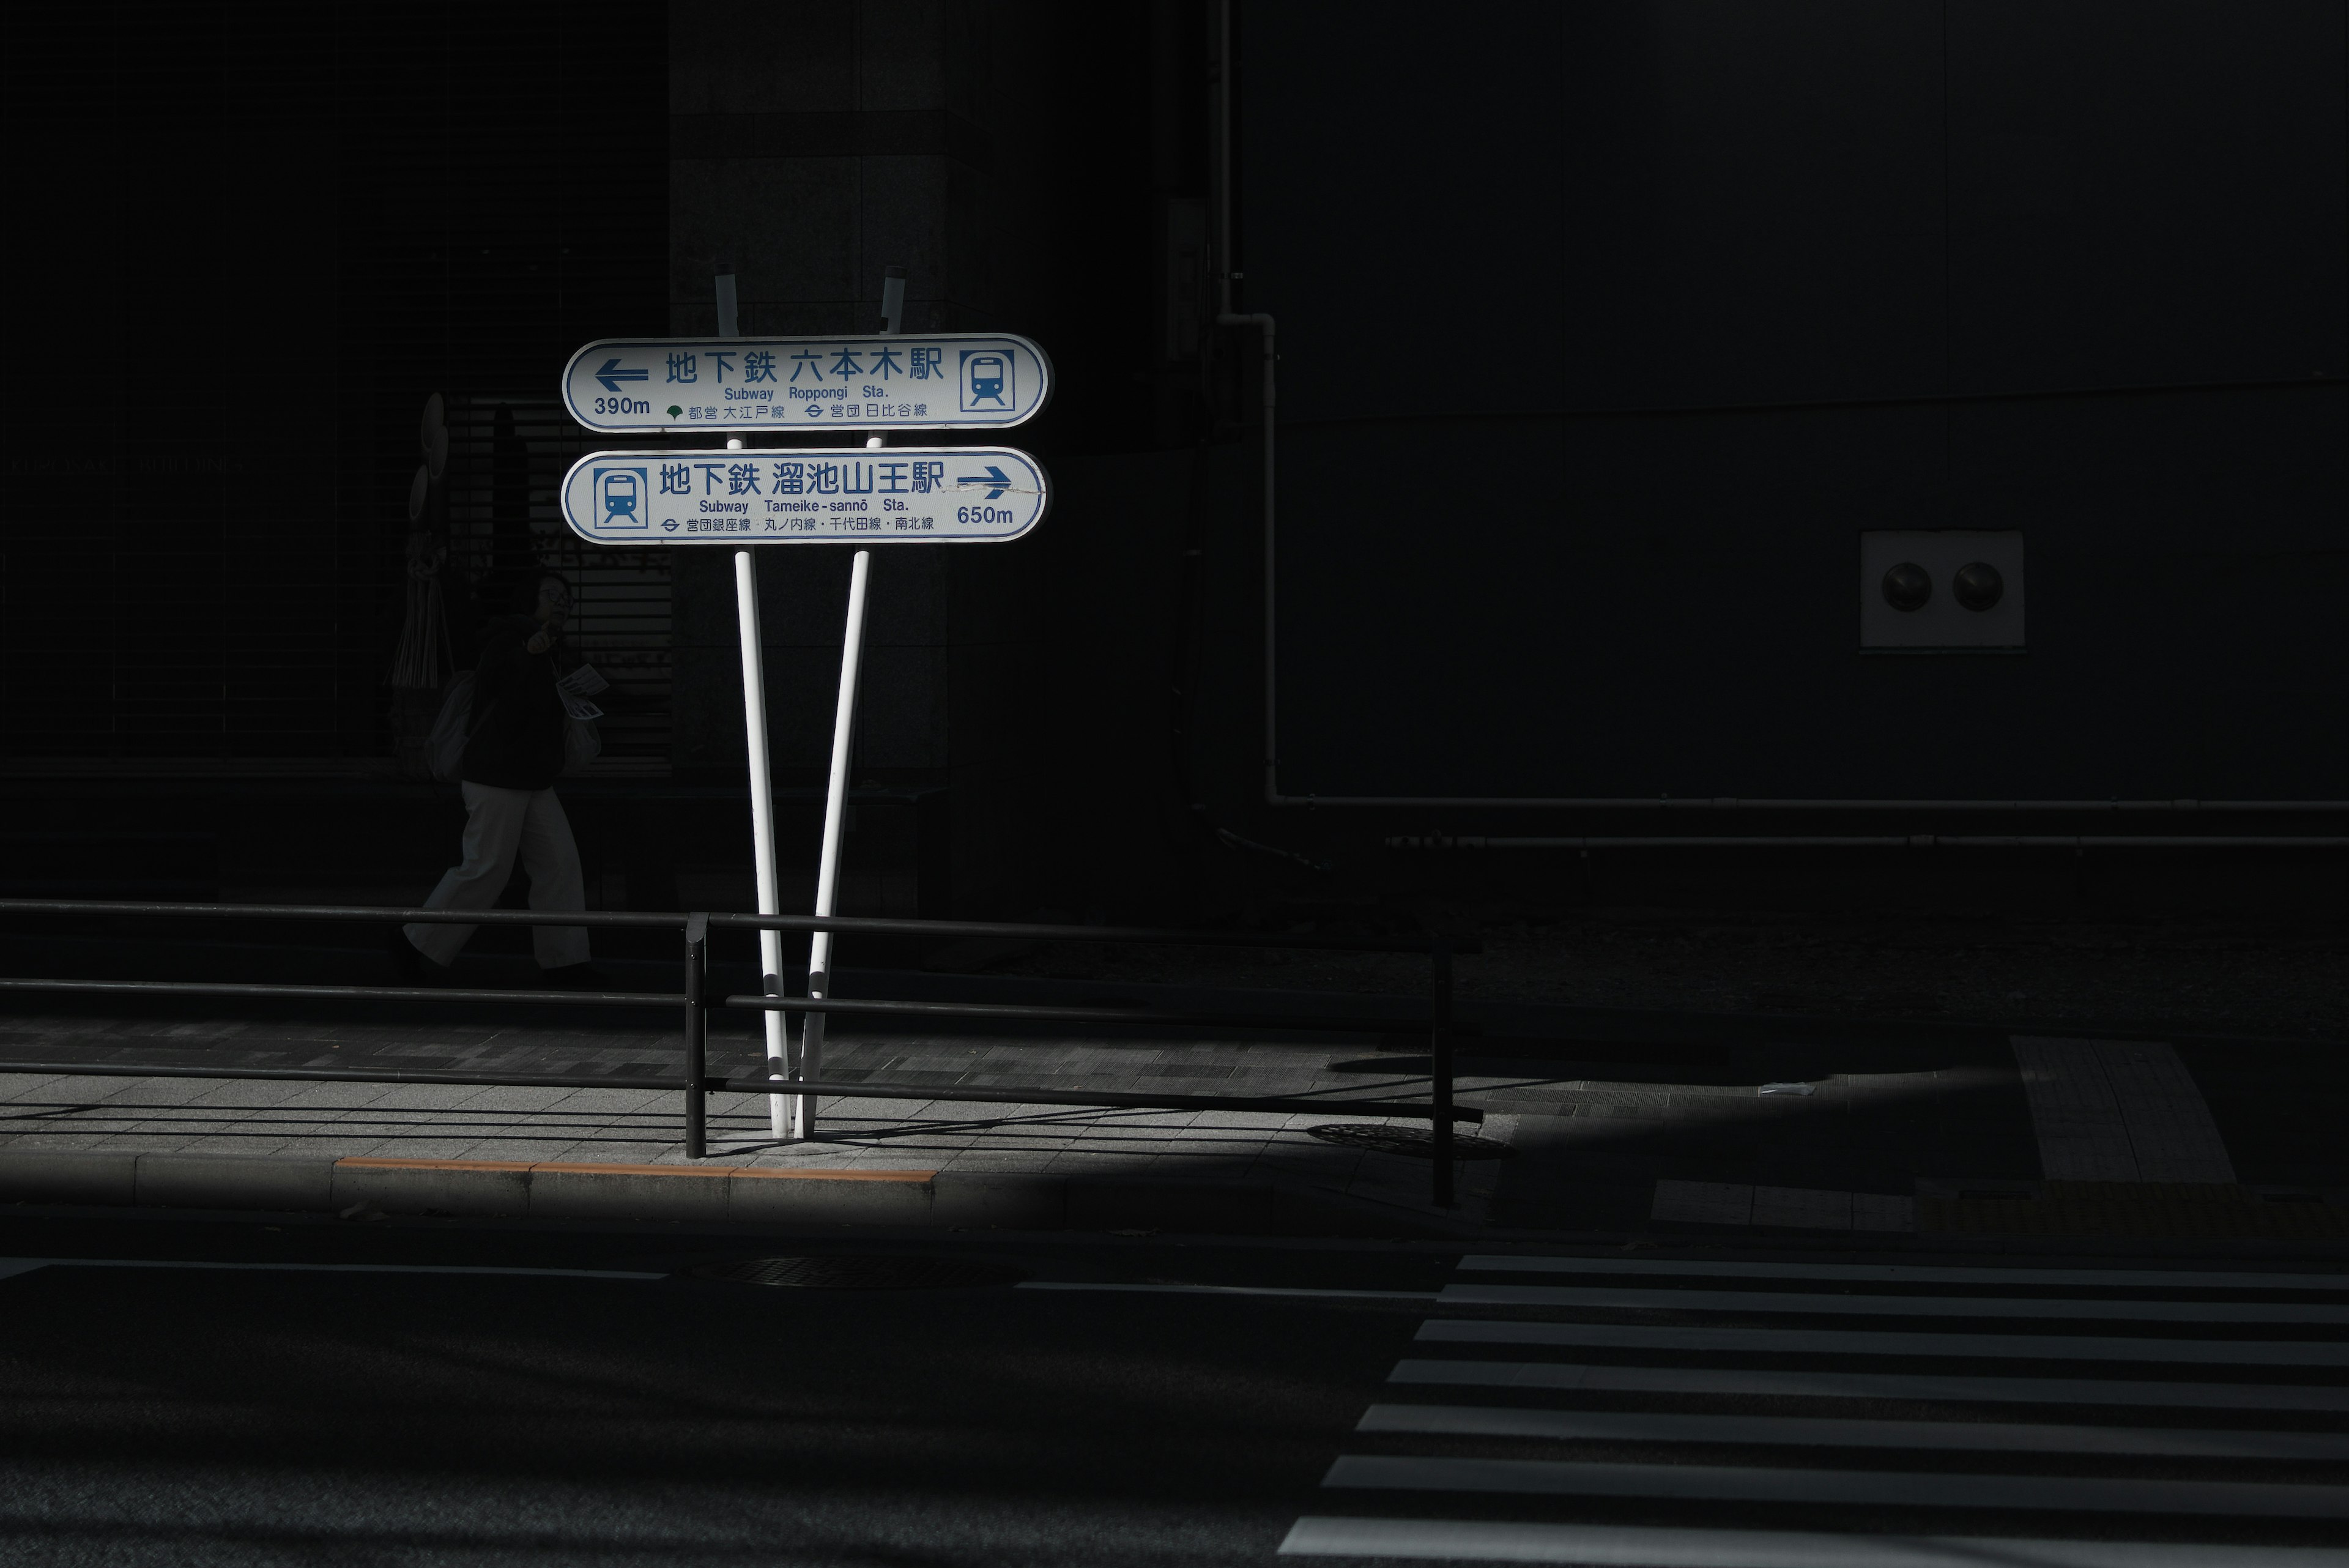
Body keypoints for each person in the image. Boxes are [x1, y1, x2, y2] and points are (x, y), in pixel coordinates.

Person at [390, 572, 598, 986]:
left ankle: (566, 964)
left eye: (566, 598)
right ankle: (413, 944)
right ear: (528, 600)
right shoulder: (509, 639)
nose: (561, 603)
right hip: (499, 776)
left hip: (530, 777)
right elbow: (497, 681)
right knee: (486, 868)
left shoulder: (553, 648)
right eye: (551, 595)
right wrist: (527, 652)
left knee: (559, 865)